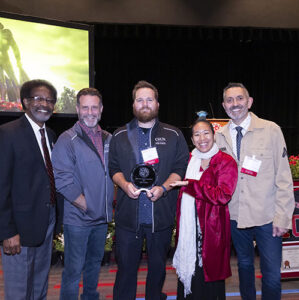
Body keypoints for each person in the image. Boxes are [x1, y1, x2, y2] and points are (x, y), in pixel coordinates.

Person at [109, 80, 189, 300]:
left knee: (157, 271)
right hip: (128, 218)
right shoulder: (119, 135)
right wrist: (124, 185)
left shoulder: (174, 135)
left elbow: (180, 167)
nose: (145, 104)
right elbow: (114, 168)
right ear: (133, 105)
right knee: (125, 272)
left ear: (157, 103)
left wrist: (163, 188)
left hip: (160, 216)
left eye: (149, 99)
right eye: (139, 99)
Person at [215, 82, 295, 300]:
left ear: (249, 102)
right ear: (224, 106)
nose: (235, 104)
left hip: (268, 217)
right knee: (244, 268)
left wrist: (283, 216)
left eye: (239, 98)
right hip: (235, 216)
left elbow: (284, 177)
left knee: (271, 276)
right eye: (230, 100)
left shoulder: (271, 130)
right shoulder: (219, 136)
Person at [52, 87, 114, 300]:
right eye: (85, 107)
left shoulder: (108, 139)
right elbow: (62, 181)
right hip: (78, 219)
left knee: (93, 266)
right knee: (73, 271)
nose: (90, 112)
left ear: (101, 109)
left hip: (101, 220)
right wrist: (87, 206)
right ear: (77, 109)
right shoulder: (66, 140)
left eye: (94, 107)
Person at [0, 79, 58, 299]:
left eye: (50, 100)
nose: (45, 104)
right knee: (19, 290)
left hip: (46, 220)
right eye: (38, 98)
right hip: (19, 229)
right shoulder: (8, 134)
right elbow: (1, 185)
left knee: (39, 284)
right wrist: (7, 231)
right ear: (25, 102)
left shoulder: (50, 135)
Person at [171, 115, 238, 300]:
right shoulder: (187, 161)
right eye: (197, 135)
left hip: (212, 232)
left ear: (213, 134)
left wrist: (191, 185)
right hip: (187, 231)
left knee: (210, 280)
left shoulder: (225, 161)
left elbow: (223, 195)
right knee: (190, 277)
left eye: (206, 133)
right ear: (192, 139)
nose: (202, 139)